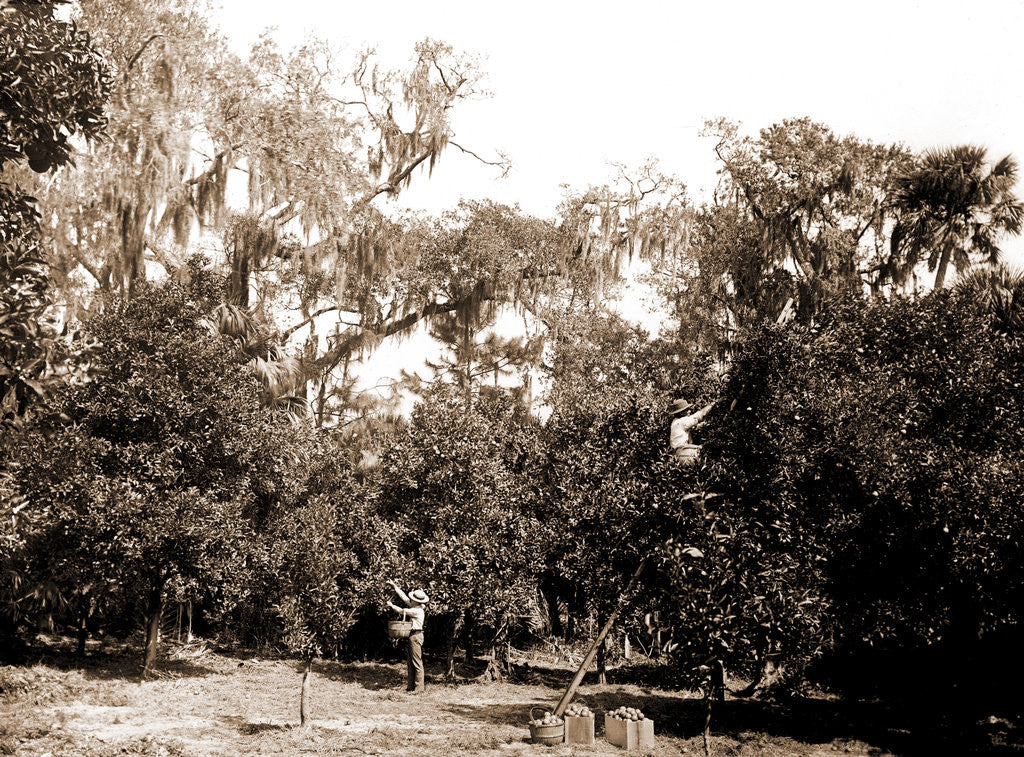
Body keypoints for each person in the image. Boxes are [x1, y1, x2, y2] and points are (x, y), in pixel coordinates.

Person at [387, 580, 429, 693]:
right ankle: (411, 687)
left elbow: (402, 611)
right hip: (413, 636)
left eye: (412, 599)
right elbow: (405, 598)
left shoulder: (417, 611)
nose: (410, 600)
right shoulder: (417, 607)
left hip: (416, 636)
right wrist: (395, 586)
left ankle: (419, 689)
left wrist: (391, 605)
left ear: (415, 601)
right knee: (411, 662)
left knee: (417, 662)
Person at [669, 398, 714, 465]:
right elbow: (699, 415)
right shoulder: (682, 421)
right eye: (687, 410)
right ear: (681, 412)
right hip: (684, 453)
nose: (689, 411)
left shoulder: (675, 422)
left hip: (677, 454)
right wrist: (712, 404)